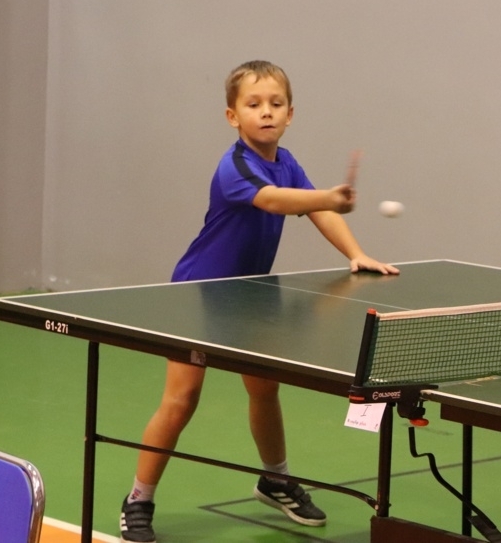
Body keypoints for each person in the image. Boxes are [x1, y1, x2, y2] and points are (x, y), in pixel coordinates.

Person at [119, 60, 399, 542]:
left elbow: (314, 208)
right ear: (233, 116)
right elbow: (274, 200)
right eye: (254, 104)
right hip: (199, 293)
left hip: (250, 295)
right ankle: (138, 500)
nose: (266, 112)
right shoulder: (235, 166)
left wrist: (356, 253)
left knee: (265, 389)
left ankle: (275, 480)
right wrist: (328, 197)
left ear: (290, 113)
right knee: (182, 399)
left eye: (275, 103)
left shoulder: (285, 161)